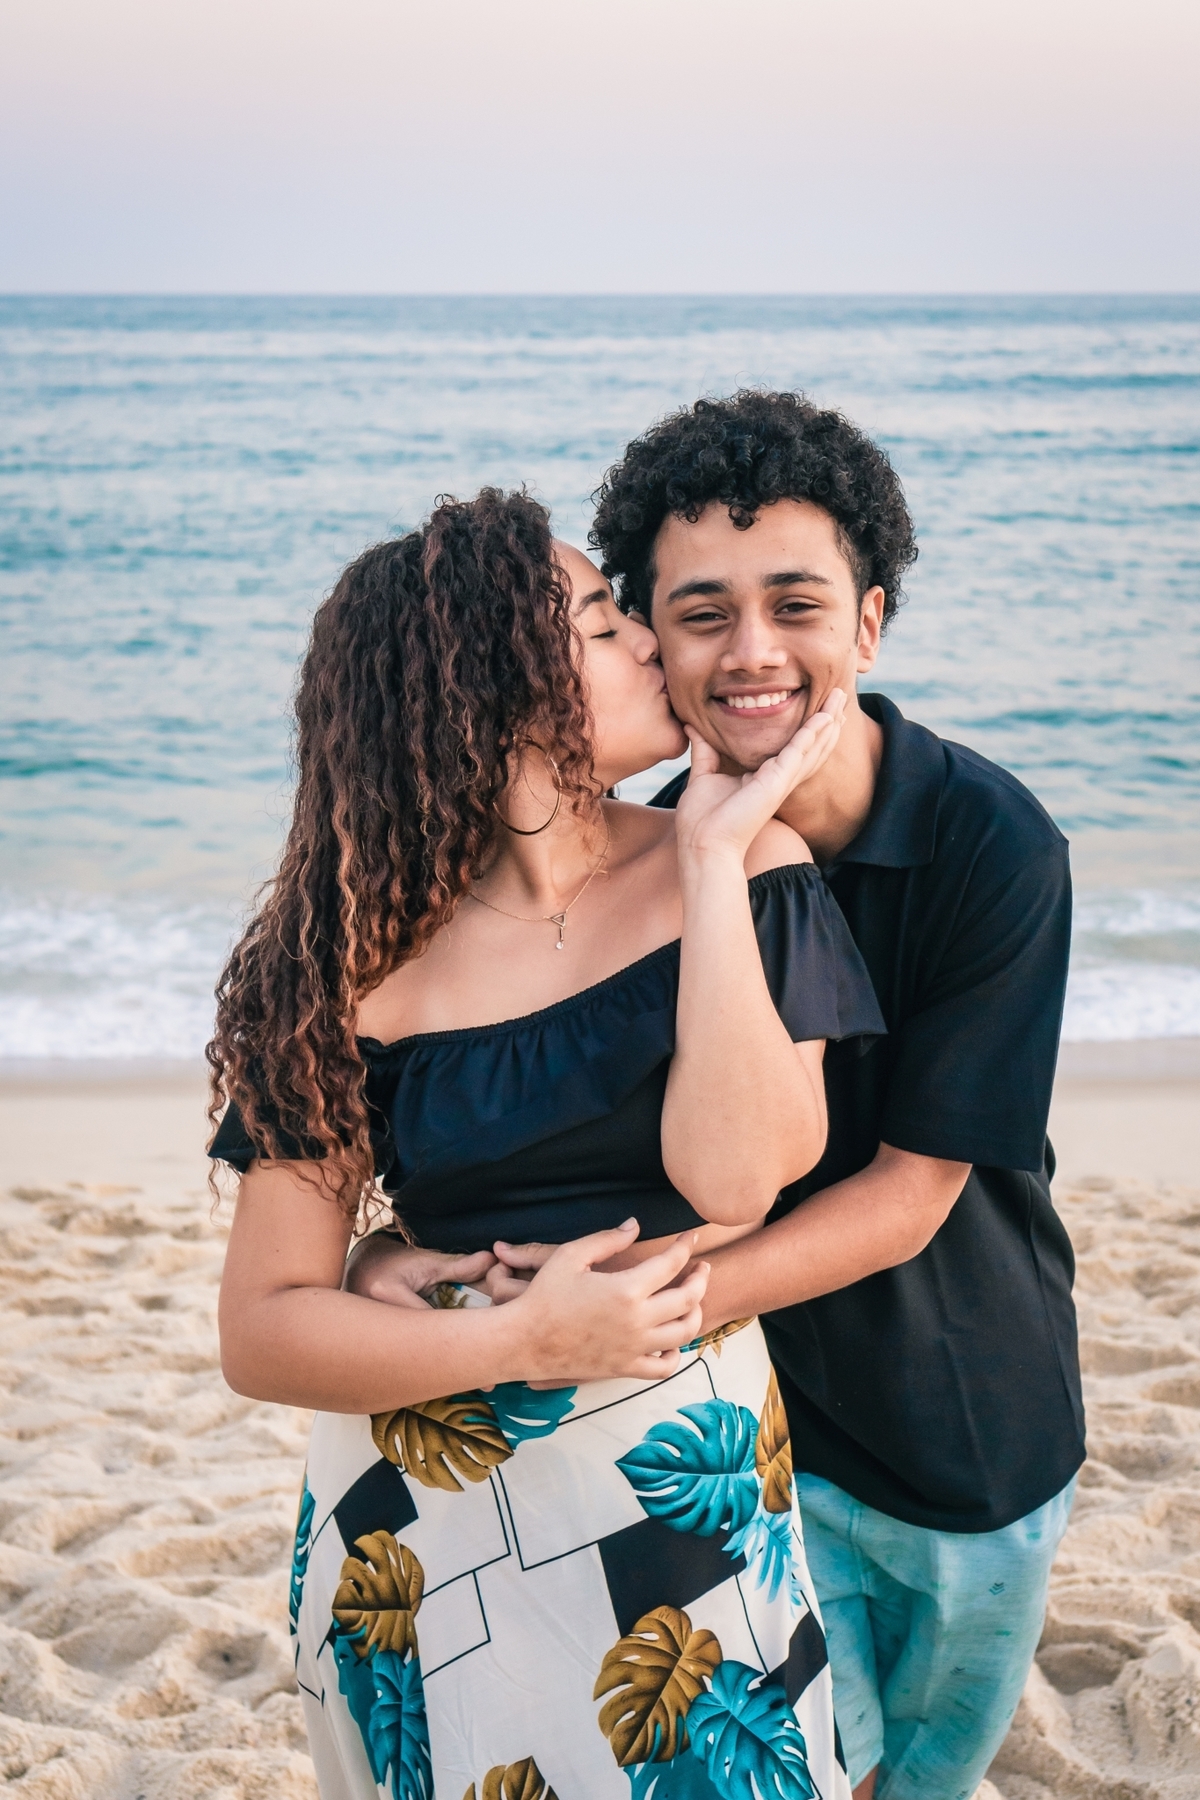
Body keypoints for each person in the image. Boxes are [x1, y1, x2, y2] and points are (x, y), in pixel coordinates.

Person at [355, 396, 1084, 1800]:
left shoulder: (992, 842)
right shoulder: (659, 863)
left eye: (795, 605)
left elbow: (912, 1195)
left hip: (960, 1426)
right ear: (648, 644)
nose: (752, 653)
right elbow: (533, 1122)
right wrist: (406, 1258)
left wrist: (628, 1312)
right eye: (699, 614)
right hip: (745, 1437)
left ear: (867, 627)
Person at [208, 487, 884, 1799]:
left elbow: (737, 1178)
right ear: (492, 695)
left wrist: (709, 855)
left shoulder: (746, 868)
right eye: (596, 620)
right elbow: (263, 1329)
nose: (648, 637)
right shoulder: (346, 957)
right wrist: (516, 1340)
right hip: (422, 1502)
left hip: (670, 1480)